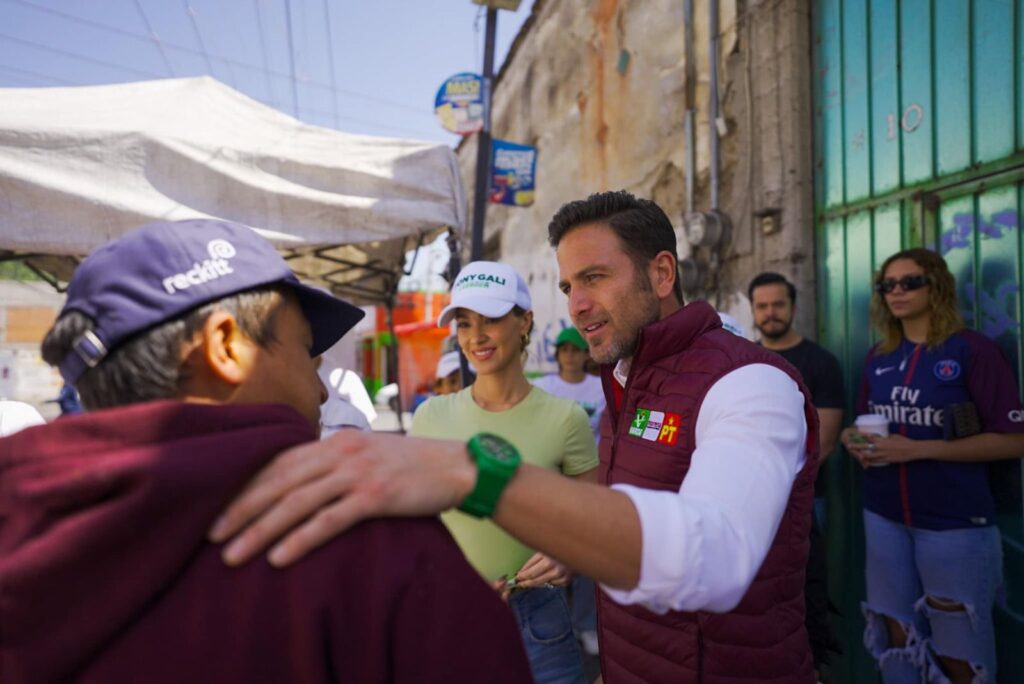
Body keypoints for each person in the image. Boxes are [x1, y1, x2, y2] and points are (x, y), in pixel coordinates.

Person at [210, 190, 820, 684]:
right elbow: (625, 509)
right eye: (567, 287)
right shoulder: (628, 382)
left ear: (662, 273)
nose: (578, 305)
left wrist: (476, 474)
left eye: (596, 278)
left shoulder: (751, 381)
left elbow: (721, 555)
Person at [0, 219, 531, 683]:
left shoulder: (21, 525)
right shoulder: (365, 539)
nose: (322, 390)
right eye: (306, 351)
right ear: (226, 346)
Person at [840, 248, 1024, 684]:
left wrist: (920, 450)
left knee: (960, 649)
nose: (897, 292)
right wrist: (852, 439)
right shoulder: (879, 356)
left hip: (954, 522)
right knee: (894, 632)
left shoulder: (972, 350)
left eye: (910, 282)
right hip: (883, 514)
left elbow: (1014, 440)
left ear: (936, 285)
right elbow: (864, 422)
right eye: (887, 285)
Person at [414, 260, 597, 684]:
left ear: (524, 321)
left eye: (491, 319)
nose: (475, 336)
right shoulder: (431, 415)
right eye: (464, 323)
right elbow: (416, 524)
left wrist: (567, 556)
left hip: (538, 618)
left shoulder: (566, 418)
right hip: (449, 615)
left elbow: (593, 519)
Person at [749, 271, 845, 672]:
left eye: (778, 304)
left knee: (804, 596)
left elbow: (822, 443)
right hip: (751, 506)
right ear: (752, 310)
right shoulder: (744, 357)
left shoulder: (820, 362)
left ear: (793, 307)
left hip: (804, 501)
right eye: (762, 306)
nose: (770, 313)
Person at [531, 325, 605, 656]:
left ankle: (586, 625)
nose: (570, 357)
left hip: (589, 483)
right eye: (564, 351)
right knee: (551, 555)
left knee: (588, 557)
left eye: (576, 350)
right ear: (557, 355)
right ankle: (554, 627)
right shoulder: (544, 386)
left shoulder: (600, 387)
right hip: (552, 482)